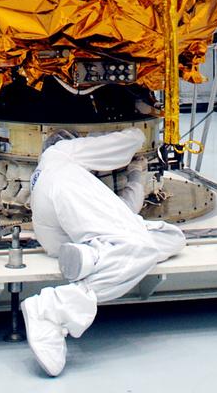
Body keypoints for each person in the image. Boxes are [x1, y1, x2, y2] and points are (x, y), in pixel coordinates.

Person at [21, 127, 185, 376]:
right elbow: (126, 142)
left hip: (55, 236)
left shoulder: (44, 177)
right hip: (64, 192)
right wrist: (139, 132)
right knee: (140, 248)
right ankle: (52, 308)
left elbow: (123, 211)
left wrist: (135, 176)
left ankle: (91, 256)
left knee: (172, 238)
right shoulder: (62, 151)